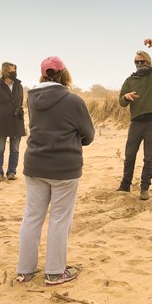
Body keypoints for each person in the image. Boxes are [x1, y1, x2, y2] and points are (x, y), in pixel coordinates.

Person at [16, 56, 95, 286]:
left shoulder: (32, 98)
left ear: (43, 75)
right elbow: (88, 134)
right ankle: (54, 272)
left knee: (32, 216)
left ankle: (25, 270)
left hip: (34, 164)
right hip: (64, 169)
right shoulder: (74, 101)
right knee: (60, 219)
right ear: (64, 74)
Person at [117, 39, 152, 200]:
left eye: (142, 61)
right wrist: (126, 97)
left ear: (148, 62)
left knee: (149, 157)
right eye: (136, 62)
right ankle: (125, 185)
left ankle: (144, 188)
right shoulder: (129, 80)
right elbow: (121, 101)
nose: (139, 64)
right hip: (136, 122)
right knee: (130, 155)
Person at [0, 62, 26, 181]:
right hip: (1, 121)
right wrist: (1, 114)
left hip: (17, 121)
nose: (13, 72)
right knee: (0, 148)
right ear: (5, 71)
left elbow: (20, 102)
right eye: (11, 70)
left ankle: (11, 172)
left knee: (14, 149)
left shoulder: (19, 85)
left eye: (15, 70)